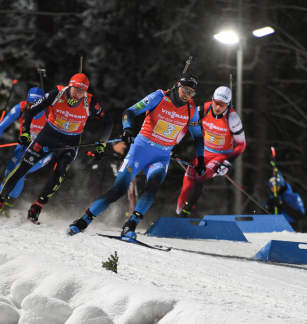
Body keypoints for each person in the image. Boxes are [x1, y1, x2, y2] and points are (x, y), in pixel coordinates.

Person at [68, 73, 206, 238]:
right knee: (118, 190)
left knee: (152, 187)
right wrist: (127, 129)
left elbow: (198, 137)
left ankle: (130, 226)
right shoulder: (159, 97)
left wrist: (201, 159)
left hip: (161, 156)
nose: (187, 95)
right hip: (140, 150)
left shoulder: (191, 109)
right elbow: (129, 112)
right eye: (185, 90)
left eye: (191, 93)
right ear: (177, 86)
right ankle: (83, 221)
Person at [0, 73, 113, 223]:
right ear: (70, 85)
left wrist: (102, 144)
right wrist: (26, 134)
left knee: (59, 173)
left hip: (70, 142)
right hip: (48, 136)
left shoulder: (90, 103)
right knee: (21, 167)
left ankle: (37, 207)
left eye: (82, 91)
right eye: (76, 90)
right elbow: (30, 112)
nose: (78, 94)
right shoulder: (56, 94)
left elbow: (108, 122)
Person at [176, 86, 246, 217]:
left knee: (199, 177)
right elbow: (186, 124)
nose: (218, 107)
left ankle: (187, 210)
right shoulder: (204, 109)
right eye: (216, 103)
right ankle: (177, 215)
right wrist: (174, 143)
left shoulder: (232, 119)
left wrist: (227, 163)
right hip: (204, 152)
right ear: (212, 100)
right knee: (186, 185)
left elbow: (242, 145)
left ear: (228, 104)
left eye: (222, 105)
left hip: (221, 155)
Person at [0, 87, 50, 212]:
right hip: (24, 147)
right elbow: (0, 127)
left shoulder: (50, 111)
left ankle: (6, 208)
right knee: (9, 172)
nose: (33, 107)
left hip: (44, 152)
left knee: (20, 170)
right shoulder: (22, 108)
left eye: (36, 104)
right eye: (30, 104)